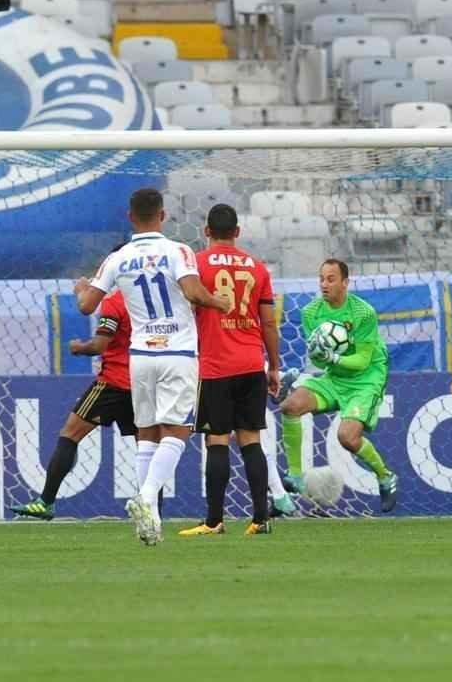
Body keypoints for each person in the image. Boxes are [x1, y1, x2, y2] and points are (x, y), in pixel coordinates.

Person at [77, 188, 232, 545]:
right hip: (177, 352)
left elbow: (87, 305)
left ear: (130, 217)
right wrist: (218, 302)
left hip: (141, 355)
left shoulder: (118, 258)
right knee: (177, 431)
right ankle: (147, 496)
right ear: (163, 215)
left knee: (146, 433)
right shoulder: (179, 251)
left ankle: (151, 523)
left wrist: (82, 289)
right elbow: (192, 292)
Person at [179, 204, 281, 538]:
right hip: (251, 363)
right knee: (251, 440)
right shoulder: (258, 268)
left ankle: (214, 521)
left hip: (216, 365)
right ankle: (260, 519)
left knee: (217, 440)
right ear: (237, 232)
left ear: (206, 231)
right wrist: (274, 366)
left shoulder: (196, 264)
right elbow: (269, 323)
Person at [12, 265, 134, 520]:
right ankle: (153, 510)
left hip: (113, 383)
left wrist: (78, 347)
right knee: (147, 447)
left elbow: (98, 345)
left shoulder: (115, 302)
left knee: (70, 434)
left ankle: (46, 502)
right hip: (144, 383)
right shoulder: (155, 302)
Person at [279, 259, 398, 512]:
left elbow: (362, 360)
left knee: (347, 437)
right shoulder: (311, 312)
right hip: (334, 377)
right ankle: (295, 476)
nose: (324, 284)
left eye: (331, 279)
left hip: (366, 379)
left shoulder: (363, 313)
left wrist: (332, 358)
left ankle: (385, 476)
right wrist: (323, 356)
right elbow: (316, 359)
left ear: (345, 283)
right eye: (321, 279)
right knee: (290, 406)